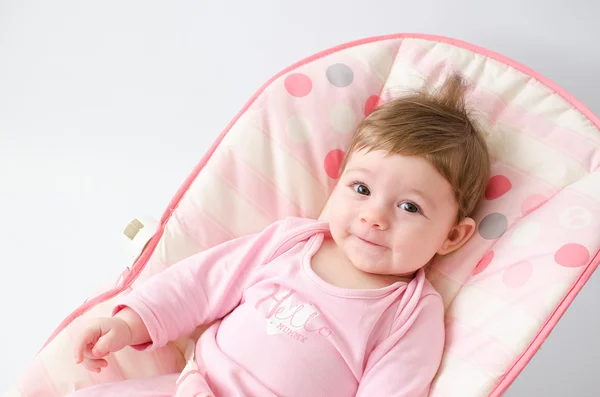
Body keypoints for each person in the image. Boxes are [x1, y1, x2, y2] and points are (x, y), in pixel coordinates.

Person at [71, 73, 491, 397]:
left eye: (409, 207)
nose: (374, 217)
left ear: (452, 236)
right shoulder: (292, 242)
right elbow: (200, 283)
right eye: (361, 190)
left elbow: (393, 388)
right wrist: (129, 324)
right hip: (192, 383)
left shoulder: (410, 314)